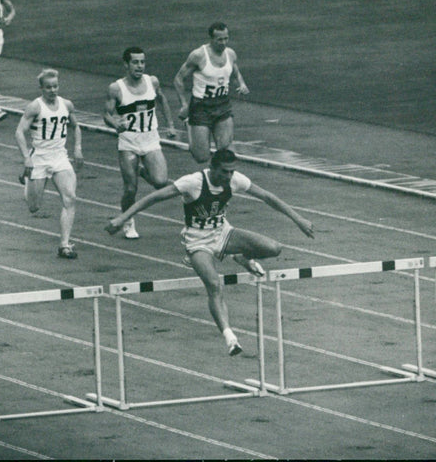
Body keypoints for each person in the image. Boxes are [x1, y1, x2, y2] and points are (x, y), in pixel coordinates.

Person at [106, 148, 314, 356]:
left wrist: (299, 219)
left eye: (232, 172)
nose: (229, 176)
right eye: (225, 172)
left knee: (273, 248)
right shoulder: (193, 182)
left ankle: (241, 256)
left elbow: (268, 197)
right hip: (198, 242)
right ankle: (230, 337)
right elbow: (153, 198)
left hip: (223, 234)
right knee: (214, 284)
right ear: (213, 168)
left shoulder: (235, 180)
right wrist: (122, 218)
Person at [103, 46, 177, 239]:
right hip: (129, 142)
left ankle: (142, 170)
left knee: (161, 183)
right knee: (130, 188)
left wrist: (170, 125)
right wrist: (115, 124)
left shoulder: (152, 82)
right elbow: (107, 114)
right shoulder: (116, 88)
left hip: (150, 139)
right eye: (135, 62)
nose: (140, 66)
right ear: (126, 64)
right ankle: (128, 221)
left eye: (142, 62)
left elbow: (162, 100)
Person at [15, 69, 83, 259]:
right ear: (41, 88)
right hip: (40, 158)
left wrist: (77, 148)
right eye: (48, 87)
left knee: (70, 198)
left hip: (60, 157)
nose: (52, 90)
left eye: (55, 86)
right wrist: (26, 157)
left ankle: (64, 245)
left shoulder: (66, 104)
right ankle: (27, 178)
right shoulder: (35, 107)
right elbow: (19, 132)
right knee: (34, 207)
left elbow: (76, 126)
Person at [173, 22, 250, 163]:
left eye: (226, 38)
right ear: (211, 39)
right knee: (201, 157)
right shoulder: (199, 55)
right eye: (219, 40)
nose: (223, 43)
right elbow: (178, 79)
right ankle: (189, 123)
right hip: (201, 107)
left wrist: (242, 84)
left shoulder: (231, 54)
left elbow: (235, 72)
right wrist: (184, 104)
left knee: (225, 152)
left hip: (222, 105)